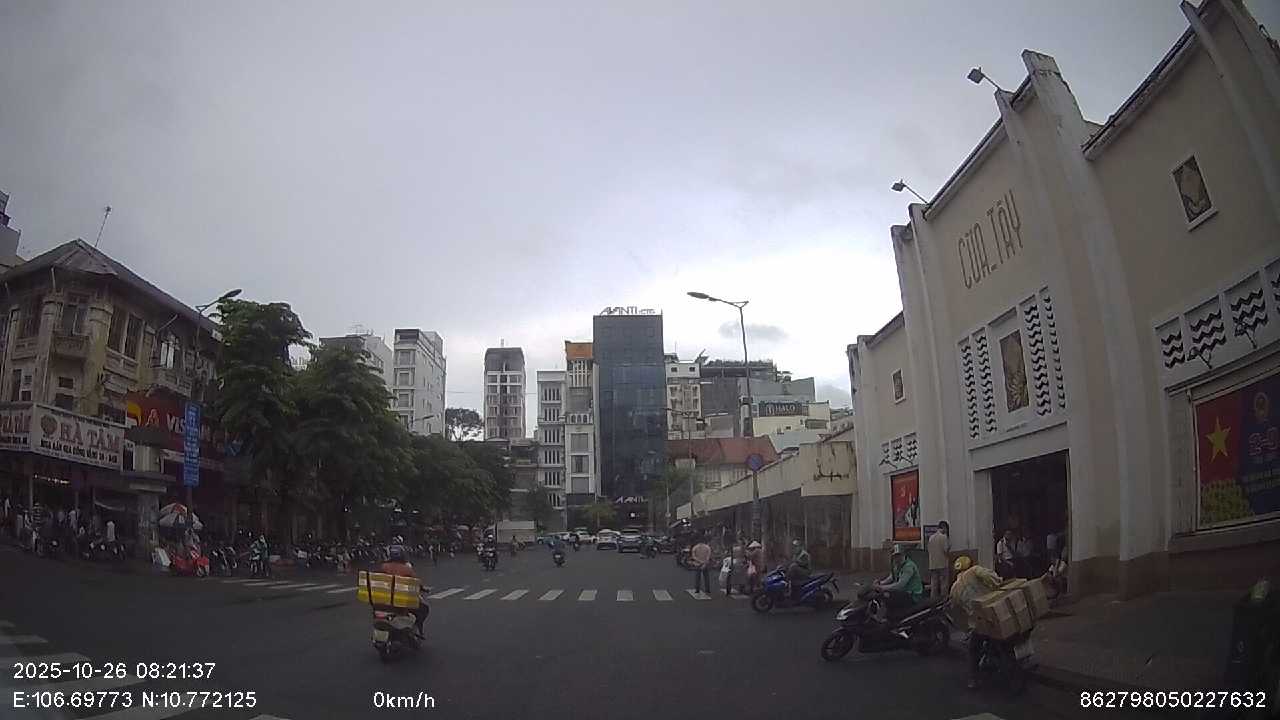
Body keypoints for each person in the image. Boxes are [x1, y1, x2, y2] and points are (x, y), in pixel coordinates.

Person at [950, 555, 1003, 689]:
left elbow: (957, 612)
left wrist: (967, 626)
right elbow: (993, 578)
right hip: (997, 610)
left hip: (979, 622)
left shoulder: (954, 588)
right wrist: (999, 583)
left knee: (973, 650)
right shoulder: (975, 571)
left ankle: (973, 678)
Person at [379, 545, 429, 639]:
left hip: (385, 600)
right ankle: (419, 629)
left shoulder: (383, 567)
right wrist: (423, 588)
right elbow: (416, 582)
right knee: (424, 608)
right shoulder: (406, 568)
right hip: (402, 600)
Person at [871, 544, 924, 623]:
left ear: (903, 554)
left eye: (899, 555)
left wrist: (883, 588)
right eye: (895, 556)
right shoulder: (898, 565)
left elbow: (900, 584)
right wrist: (880, 583)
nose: (897, 558)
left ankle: (884, 618)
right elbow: (891, 577)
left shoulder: (908, 566)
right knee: (881, 595)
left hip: (912, 595)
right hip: (903, 592)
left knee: (887, 595)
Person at [927, 521, 952, 599]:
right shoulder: (943, 537)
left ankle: (933, 602)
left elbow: (929, 550)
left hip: (932, 564)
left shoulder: (931, 538)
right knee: (944, 585)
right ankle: (943, 601)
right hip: (942, 564)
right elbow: (946, 550)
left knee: (934, 585)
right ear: (944, 527)